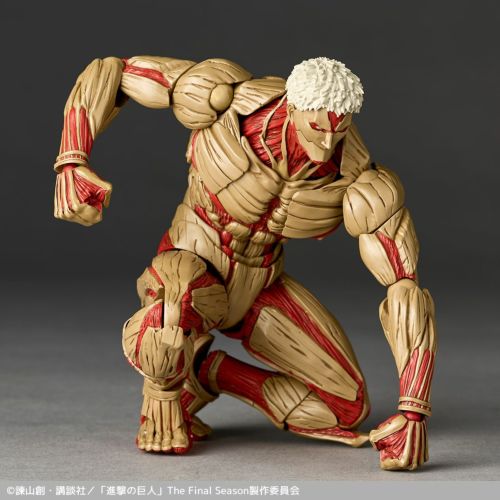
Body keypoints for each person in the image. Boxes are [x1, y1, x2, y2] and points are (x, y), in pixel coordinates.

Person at [53, 56, 436, 471]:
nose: (327, 144)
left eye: (339, 130)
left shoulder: (360, 181)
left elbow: (405, 288)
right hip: (194, 256)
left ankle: (207, 372)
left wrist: (413, 409)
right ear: (292, 105)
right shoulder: (225, 99)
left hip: (260, 281)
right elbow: (114, 72)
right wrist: (72, 161)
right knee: (166, 325)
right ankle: (162, 402)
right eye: (317, 128)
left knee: (346, 407)